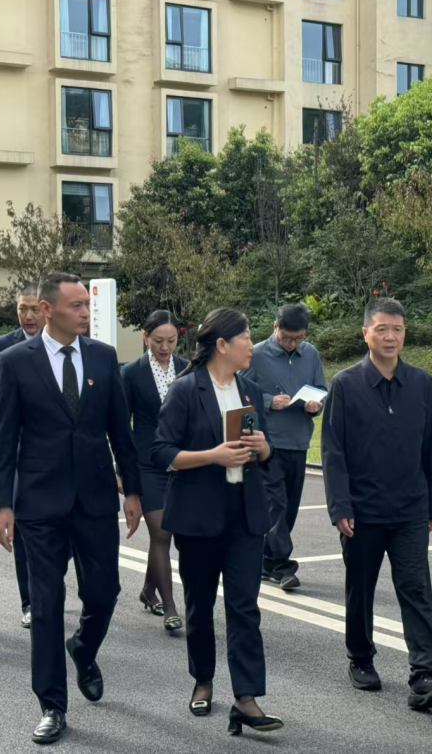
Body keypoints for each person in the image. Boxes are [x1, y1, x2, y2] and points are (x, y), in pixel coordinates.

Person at [0, 272, 143, 746]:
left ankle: (84, 648)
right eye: (76, 305)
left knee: (104, 592)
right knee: (46, 603)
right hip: (39, 502)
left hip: (94, 497)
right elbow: (5, 437)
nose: (85, 312)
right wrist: (2, 504)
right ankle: (52, 705)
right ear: (46, 309)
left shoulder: (103, 356)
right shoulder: (15, 361)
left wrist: (133, 491)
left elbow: (120, 431)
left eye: (87, 305)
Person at [150, 308, 282, 736]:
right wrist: (213, 456)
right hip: (199, 515)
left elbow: (263, 452)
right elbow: (162, 452)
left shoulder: (251, 391)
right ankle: (202, 680)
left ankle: (247, 697)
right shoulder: (185, 390)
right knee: (200, 604)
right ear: (222, 345)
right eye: (245, 337)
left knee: (244, 607)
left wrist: (263, 448)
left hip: (245, 513)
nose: (251, 344)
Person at [322, 297, 432, 711]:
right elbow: (333, 452)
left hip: (411, 509)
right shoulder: (345, 384)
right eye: (381, 329)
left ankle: (426, 673)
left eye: (397, 329)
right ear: (366, 333)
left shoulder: (422, 383)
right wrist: (340, 506)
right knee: (360, 588)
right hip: (361, 511)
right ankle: (361, 658)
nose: (390, 336)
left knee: (416, 588)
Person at [242, 303, 326, 591]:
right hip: (268, 443)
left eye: (298, 338)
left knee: (288, 507)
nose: (292, 344)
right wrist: (269, 401)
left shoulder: (311, 354)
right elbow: (241, 392)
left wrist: (316, 405)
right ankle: (283, 566)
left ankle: (266, 561)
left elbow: (321, 388)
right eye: (287, 338)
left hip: (299, 441)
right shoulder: (255, 354)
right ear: (275, 327)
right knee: (275, 503)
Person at [120, 310, 189, 631]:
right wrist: (122, 470)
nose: (165, 347)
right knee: (161, 532)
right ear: (145, 337)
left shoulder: (187, 368)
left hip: (181, 461)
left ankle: (149, 590)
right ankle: (171, 607)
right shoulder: (131, 373)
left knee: (170, 532)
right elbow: (121, 427)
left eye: (171, 341)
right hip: (146, 464)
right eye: (158, 340)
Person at [0, 285, 45, 630]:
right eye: (23, 309)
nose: (28, 316)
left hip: (58, 454)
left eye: (34, 309)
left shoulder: (68, 345)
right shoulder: (0, 348)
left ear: (45, 309)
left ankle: (48, 587)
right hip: (20, 448)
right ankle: (30, 601)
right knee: (23, 531)